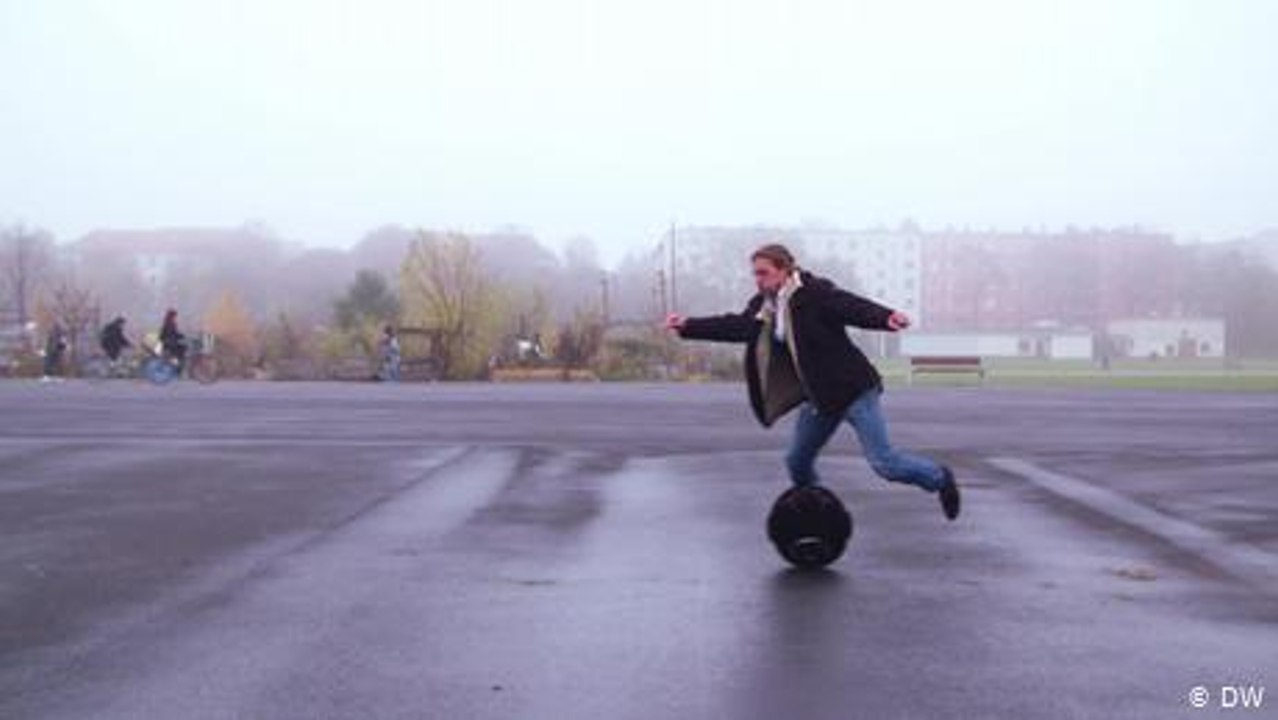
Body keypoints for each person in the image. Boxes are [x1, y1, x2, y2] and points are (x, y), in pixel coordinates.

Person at [665, 243, 961, 521]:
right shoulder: (764, 306)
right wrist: (688, 326)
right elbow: (737, 326)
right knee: (797, 462)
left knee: (884, 463)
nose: (757, 279)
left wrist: (885, 317)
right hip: (820, 399)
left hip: (854, 391)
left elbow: (850, 306)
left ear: (784, 270)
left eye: (763, 272)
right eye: (754, 273)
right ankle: (817, 514)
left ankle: (940, 478)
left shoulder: (814, 293)